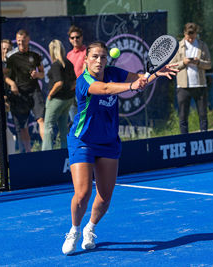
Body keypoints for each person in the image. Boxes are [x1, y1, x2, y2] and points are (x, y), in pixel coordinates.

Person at [61, 41, 178, 255]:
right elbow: (104, 89)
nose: (99, 61)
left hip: (108, 141)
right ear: (86, 59)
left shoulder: (114, 72)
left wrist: (155, 74)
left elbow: (139, 79)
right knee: (83, 193)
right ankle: (75, 230)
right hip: (83, 140)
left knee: (105, 196)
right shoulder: (83, 80)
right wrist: (132, 86)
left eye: (103, 57)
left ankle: (90, 228)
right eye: (94, 56)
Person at [5, 29, 45, 153]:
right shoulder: (11, 58)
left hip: (34, 91)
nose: (21, 43)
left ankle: (46, 149)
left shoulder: (35, 56)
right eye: (18, 41)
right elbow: (5, 76)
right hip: (19, 94)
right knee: (23, 127)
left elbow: (43, 73)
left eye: (23, 40)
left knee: (41, 120)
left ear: (28, 40)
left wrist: (37, 75)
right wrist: (12, 84)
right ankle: (28, 153)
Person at [170, 22, 211, 134]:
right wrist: (183, 62)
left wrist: (199, 62)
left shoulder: (202, 45)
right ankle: (185, 139)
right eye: (188, 37)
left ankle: (204, 137)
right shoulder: (178, 47)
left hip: (200, 85)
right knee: (183, 116)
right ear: (184, 34)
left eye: (193, 37)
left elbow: (209, 65)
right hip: (183, 86)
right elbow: (171, 66)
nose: (191, 40)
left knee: (203, 115)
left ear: (196, 34)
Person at [41, 40, 76, 151]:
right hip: (68, 99)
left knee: (48, 126)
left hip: (57, 99)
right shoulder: (68, 63)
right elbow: (75, 81)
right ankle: (65, 151)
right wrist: (68, 90)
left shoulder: (56, 65)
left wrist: (50, 94)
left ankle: (46, 154)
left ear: (52, 51)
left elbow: (59, 83)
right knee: (63, 127)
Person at [67, 25, 86, 124]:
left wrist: (75, 83)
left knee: (84, 118)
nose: (75, 39)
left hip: (82, 90)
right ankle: (77, 139)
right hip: (71, 91)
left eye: (77, 37)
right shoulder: (69, 54)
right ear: (69, 39)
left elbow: (85, 73)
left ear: (81, 38)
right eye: (72, 37)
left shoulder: (87, 52)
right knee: (74, 120)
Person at [1, 39, 17, 155]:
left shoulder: (12, 63)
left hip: (9, 99)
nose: (5, 51)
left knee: (6, 131)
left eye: (8, 49)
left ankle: (8, 157)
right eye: (4, 48)